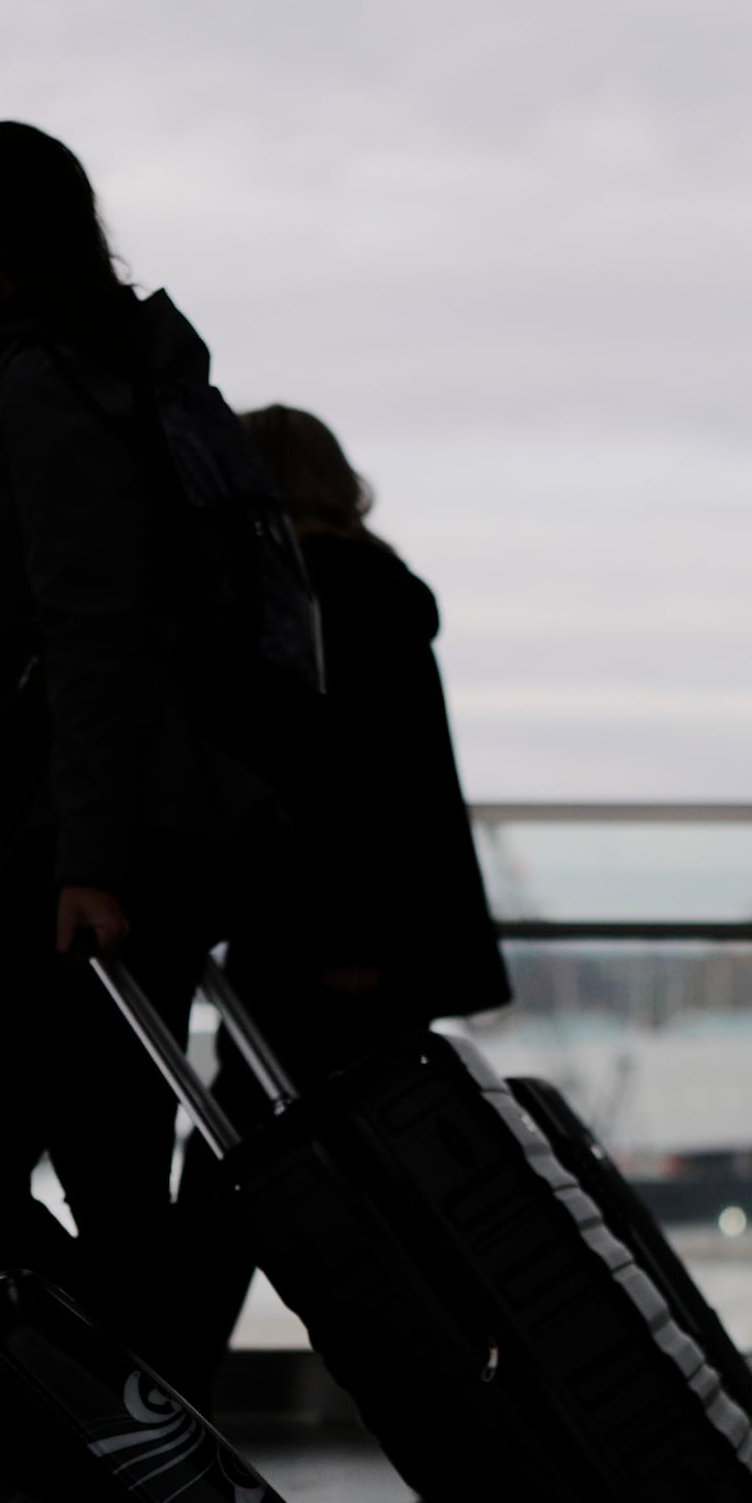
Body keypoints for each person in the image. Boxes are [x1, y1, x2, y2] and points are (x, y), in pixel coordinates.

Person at [0, 121, 277, 1374]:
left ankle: (121, 1414)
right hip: (156, 827)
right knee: (114, 1181)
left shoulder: (50, 384)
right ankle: (157, 1454)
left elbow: (94, 630)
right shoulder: (121, 375)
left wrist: (89, 863)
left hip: (94, 844)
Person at [170, 407, 511, 1400]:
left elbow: (345, 788)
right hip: (375, 945)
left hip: (323, 941)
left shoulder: (315, 600)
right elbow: (399, 790)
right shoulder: (378, 592)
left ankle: (160, 1388)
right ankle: (493, 1407)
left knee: (234, 1167)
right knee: (387, 1180)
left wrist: (345, 936)